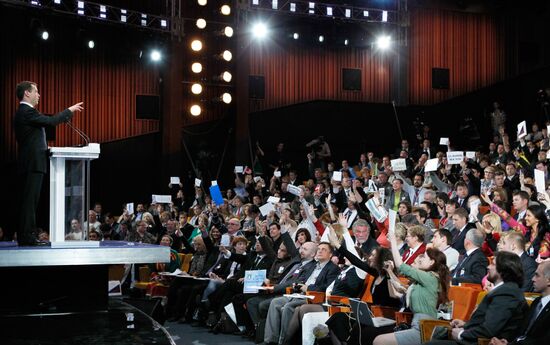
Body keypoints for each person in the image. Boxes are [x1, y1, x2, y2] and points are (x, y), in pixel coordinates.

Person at [14, 81, 83, 246]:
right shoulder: (26, 111)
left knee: (31, 202)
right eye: (36, 92)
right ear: (27, 94)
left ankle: (27, 236)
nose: (38, 95)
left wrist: (45, 147)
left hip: (32, 162)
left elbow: (32, 138)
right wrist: (69, 110)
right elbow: (51, 121)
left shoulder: (26, 113)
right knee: (29, 203)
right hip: (32, 164)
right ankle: (27, 237)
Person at [426, 251, 528, 345]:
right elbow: (488, 321)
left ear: (502, 270)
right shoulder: (505, 290)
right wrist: (465, 325)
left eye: (492, 264)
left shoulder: (507, 293)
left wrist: (461, 334)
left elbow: (489, 330)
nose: (488, 267)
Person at [489, 261, 550, 345]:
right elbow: (522, 331)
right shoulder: (536, 302)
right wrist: (507, 342)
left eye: (537, 275)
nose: (533, 279)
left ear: (548, 281)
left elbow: (543, 341)